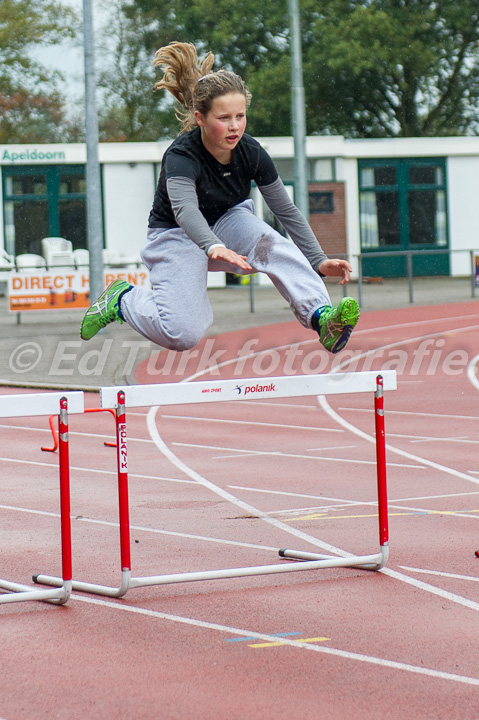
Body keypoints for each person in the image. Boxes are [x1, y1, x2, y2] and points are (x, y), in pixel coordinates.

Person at [80, 41, 360, 354]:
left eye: (240, 116)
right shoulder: (181, 157)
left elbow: (287, 211)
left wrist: (319, 260)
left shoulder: (251, 152)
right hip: (176, 234)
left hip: (229, 219)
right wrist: (213, 246)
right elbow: (185, 211)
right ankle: (122, 299)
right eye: (224, 118)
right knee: (182, 334)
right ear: (200, 118)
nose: (235, 127)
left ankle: (322, 319)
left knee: (271, 244)